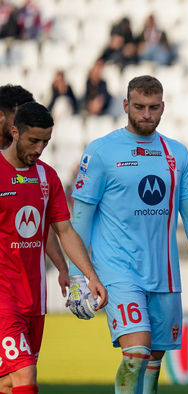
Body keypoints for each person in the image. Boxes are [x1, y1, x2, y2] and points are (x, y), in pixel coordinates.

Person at [66, 75, 188, 394]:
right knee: (137, 351)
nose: (146, 114)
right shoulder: (102, 151)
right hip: (117, 271)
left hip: (164, 274)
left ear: (163, 107)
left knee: (152, 361)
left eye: (153, 107)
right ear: (125, 106)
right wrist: (78, 275)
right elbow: (79, 219)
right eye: (139, 107)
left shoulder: (177, 153)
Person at [0, 102, 107, 394]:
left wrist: (86, 275)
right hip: (3, 298)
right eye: (33, 140)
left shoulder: (47, 177)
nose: (39, 148)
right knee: (26, 375)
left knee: (10, 381)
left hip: (34, 298)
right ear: (14, 132)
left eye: (45, 142)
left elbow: (63, 230)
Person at [0, 83, 71, 304]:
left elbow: (38, 221)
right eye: (19, 115)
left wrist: (61, 265)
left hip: (27, 292)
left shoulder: (35, 169)